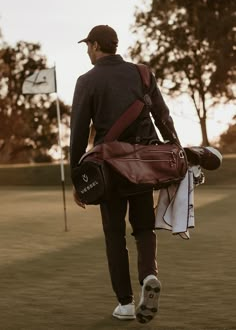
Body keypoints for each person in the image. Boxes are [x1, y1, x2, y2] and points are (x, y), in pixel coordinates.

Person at [70, 25, 181, 324]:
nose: (87, 51)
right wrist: (177, 151)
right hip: (143, 167)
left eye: (88, 46)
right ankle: (148, 276)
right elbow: (163, 115)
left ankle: (125, 304)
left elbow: (78, 133)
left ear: (95, 45)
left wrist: (77, 179)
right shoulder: (142, 73)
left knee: (114, 235)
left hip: (109, 170)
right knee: (144, 227)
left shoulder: (87, 80)